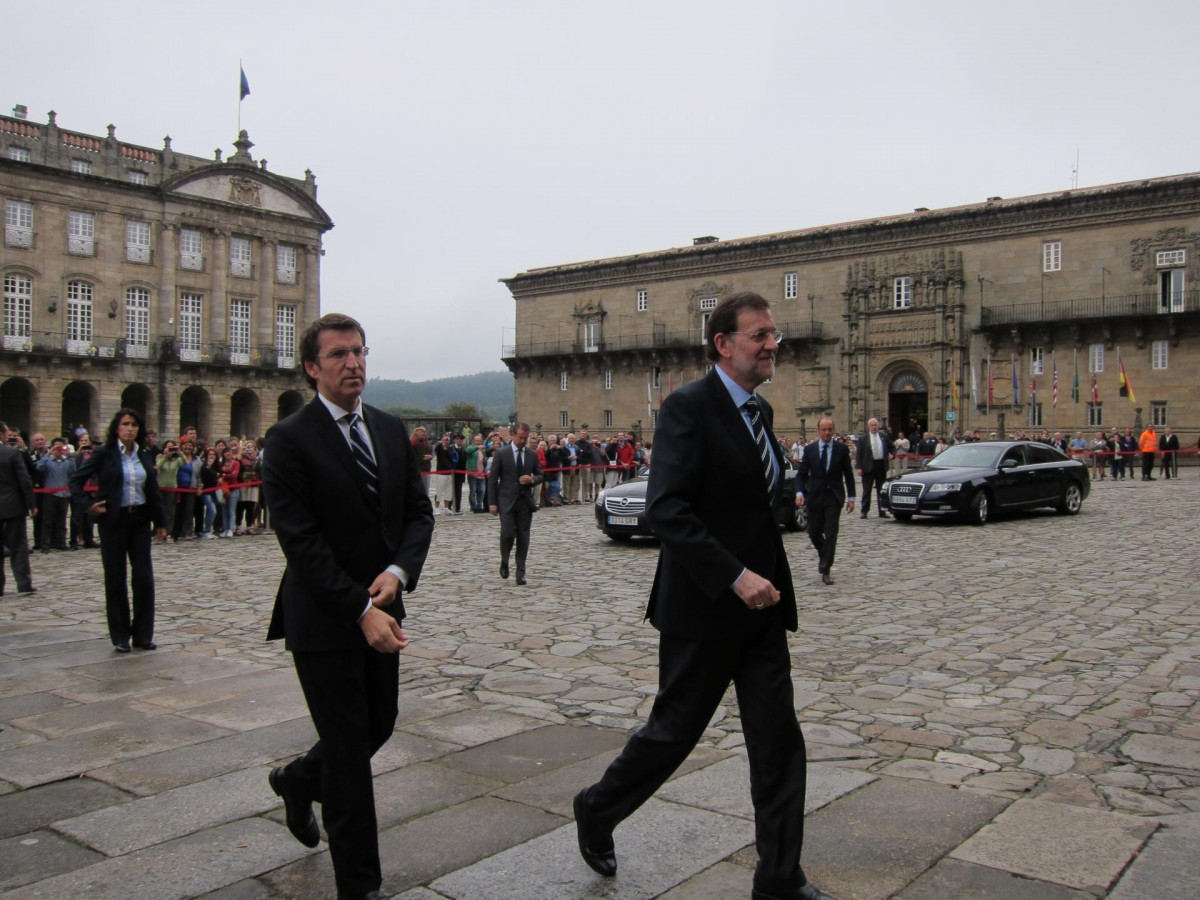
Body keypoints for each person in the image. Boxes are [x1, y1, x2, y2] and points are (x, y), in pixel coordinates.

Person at [574, 292, 836, 900]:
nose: (773, 343)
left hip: (763, 611)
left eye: (775, 333)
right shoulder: (688, 407)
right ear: (723, 344)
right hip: (705, 607)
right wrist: (734, 574)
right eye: (760, 334)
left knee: (778, 744)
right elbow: (667, 510)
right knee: (672, 734)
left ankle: (779, 879)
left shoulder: (761, 413)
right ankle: (598, 808)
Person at [263, 313, 434, 900]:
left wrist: (396, 571)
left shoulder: (389, 431)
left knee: (377, 724)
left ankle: (296, 778)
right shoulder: (288, 440)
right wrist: (358, 610)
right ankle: (360, 885)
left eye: (359, 351)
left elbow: (417, 514)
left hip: (384, 608)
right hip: (323, 618)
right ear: (312, 367)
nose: (354, 362)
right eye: (338, 354)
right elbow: (301, 542)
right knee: (349, 759)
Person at [70, 408, 168, 653]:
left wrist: (161, 521)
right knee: (115, 578)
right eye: (125, 424)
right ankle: (120, 635)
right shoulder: (105, 453)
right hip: (113, 520)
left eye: (134, 424)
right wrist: (87, 505)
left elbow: (152, 489)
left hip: (140, 520)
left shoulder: (143, 455)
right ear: (117, 427)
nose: (130, 428)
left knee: (144, 578)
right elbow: (76, 480)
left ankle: (143, 634)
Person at [796, 417, 856, 585]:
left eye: (830, 429)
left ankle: (826, 568)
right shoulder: (810, 450)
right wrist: (799, 492)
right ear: (818, 430)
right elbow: (801, 474)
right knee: (813, 532)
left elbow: (849, 475)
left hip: (834, 496)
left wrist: (851, 498)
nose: (827, 432)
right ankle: (825, 554)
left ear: (833, 429)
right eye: (824, 429)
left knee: (831, 532)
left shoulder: (841, 449)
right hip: (815, 496)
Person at [488, 422, 542, 586]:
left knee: (524, 537)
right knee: (508, 534)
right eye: (520, 438)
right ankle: (505, 560)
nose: (522, 441)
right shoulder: (502, 453)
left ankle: (521, 572)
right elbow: (492, 480)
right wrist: (492, 503)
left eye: (525, 438)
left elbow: (541, 475)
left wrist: (532, 479)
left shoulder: (532, 455)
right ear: (512, 435)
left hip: (525, 502)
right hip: (506, 501)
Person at [0, 422, 37, 595]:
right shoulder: (12, 453)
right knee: (19, 546)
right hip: (13, 506)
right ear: (2, 434)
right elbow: (24, 479)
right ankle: (23, 584)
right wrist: (31, 504)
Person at [35, 437, 74, 551]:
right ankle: (45, 544)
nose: (58, 450)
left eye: (60, 447)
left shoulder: (67, 462)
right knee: (47, 520)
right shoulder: (48, 461)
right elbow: (39, 467)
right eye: (56, 447)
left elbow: (74, 471)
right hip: (50, 495)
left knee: (62, 521)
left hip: (64, 495)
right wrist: (49, 454)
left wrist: (69, 455)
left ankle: (61, 542)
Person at [855, 417, 892, 519]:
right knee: (867, 490)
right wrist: (859, 467)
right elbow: (859, 454)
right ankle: (864, 511)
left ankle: (882, 511)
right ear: (869, 426)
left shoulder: (884, 436)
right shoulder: (863, 438)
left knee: (881, 490)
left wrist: (892, 454)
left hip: (881, 466)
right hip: (868, 467)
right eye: (872, 425)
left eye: (875, 425)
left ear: (878, 425)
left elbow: (892, 447)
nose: (874, 427)